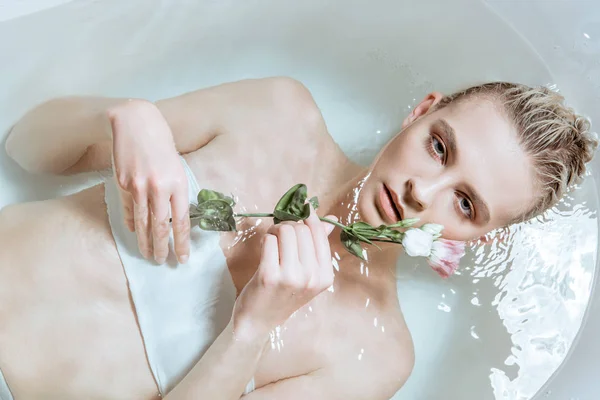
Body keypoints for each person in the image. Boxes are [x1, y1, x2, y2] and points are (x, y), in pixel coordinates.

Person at [0, 77, 596, 400]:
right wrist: (129, 117)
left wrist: (251, 328)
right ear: (422, 110)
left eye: (464, 203)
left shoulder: (374, 354)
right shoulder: (277, 113)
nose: (421, 189)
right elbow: (24, 147)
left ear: (482, 239)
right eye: (440, 146)